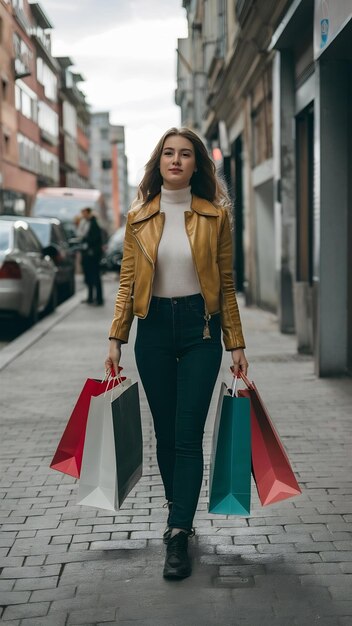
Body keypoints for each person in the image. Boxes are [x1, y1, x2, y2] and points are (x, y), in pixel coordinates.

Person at [105, 127, 248, 580]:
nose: (176, 160)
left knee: (187, 433)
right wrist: (116, 337)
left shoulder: (214, 216)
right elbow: (128, 283)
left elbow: (225, 283)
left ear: (196, 163)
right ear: (158, 162)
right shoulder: (139, 218)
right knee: (165, 435)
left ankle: (178, 530)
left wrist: (236, 343)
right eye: (168, 153)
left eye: (186, 154)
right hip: (153, 335)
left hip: (200, 333)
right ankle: (178, 510)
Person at [80, 207, 104, 306]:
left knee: (95, 277)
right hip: (89, 255)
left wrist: (86, 242)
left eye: (84, 213)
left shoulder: (94, 224)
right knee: (89, 277)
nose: (83, 215)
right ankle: (91, 298)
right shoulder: (87, 223)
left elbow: (94, 239)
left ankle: (98, 299)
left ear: (89, 213)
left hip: (93, 255)